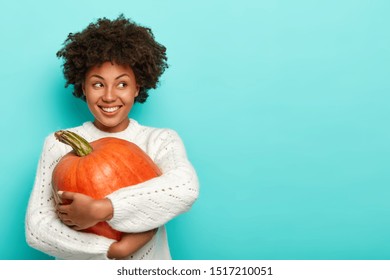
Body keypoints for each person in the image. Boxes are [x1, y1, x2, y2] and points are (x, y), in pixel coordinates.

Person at [25, 15, 199, 260]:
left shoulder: (160, 140)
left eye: (122, 84)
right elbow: (38, 228)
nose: (109, 96)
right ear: (83, 87)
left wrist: (102, 209)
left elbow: (184, 188)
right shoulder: (58, 144)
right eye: (97, 84)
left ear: (137, 87)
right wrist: (113, 249)